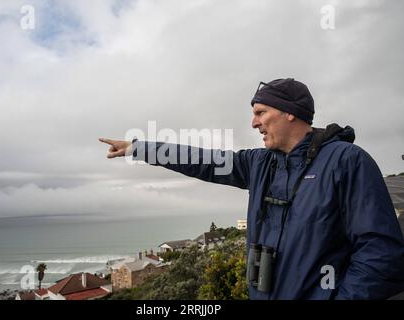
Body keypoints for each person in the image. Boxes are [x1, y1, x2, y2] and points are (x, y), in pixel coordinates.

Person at [99, 78, 404, 299]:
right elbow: (201, 160)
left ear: (290, 113)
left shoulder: (347, 161)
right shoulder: (258, 164)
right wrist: (139, 148)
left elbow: (380, 252)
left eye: (260, 113)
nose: (253, 122)